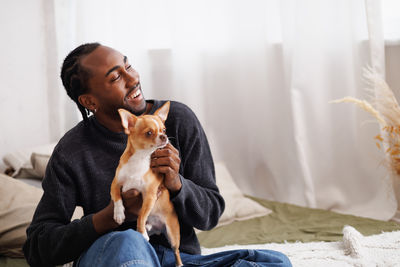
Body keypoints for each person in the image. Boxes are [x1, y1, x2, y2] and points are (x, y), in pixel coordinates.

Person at [23, 43, 292, 267]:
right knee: (129, 240)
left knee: (274, 262)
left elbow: (209, 216)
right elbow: (37, 247)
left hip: (176, 258)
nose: (133, 79)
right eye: (116, 77)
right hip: (115, 255)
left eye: (128, 66)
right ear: (90, 102)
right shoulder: (73, 150)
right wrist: (113, 215)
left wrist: (177, 184)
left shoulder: (177, 120)